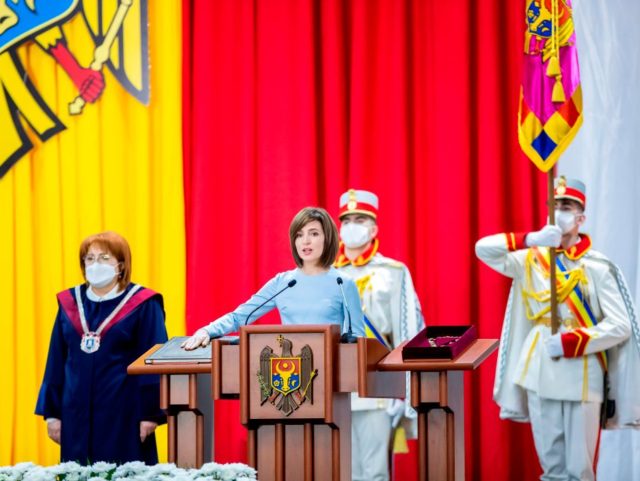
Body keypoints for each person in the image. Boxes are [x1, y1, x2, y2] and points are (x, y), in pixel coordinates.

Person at [475, 176, 640, 481]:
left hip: (582, 372)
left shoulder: (598, 267)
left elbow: (620, 326)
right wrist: (529, 240)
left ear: (581, 218)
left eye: (567, 206)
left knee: (579, 470)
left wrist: (572, 342)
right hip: (539, 369)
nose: (560, 211)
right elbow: (483, 249)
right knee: (551, 469)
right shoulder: (529, 260)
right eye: (555, 205)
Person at [35, 231, 168, 464]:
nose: (96, 265)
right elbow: (56, 360)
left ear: (121, 264)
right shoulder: (70, 304)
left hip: (125, 414)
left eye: (105, 258)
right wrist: (52, 414)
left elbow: (154, 360)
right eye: (90, 258)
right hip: (75, 413)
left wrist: (150, 414)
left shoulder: (144, 304)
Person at [334, 189, 423, 481]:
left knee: (374, 473)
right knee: (341, 471)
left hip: (377, 388)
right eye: (346, 220)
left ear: (373, 228)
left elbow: (409, 332)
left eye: (359, 219)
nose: (351, 226)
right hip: (335, 388)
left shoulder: (393, 272)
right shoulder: (326, 274)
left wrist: (404, 392)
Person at [182, 207, 365, 349]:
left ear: (328, 238)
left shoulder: (343, 283)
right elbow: (239, 317)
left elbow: (357, 339)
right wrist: (207, 330)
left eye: (314, 233)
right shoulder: (283, 283)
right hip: (288, 373)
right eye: (299, 235)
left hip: (332, 379)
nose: (305, 241)